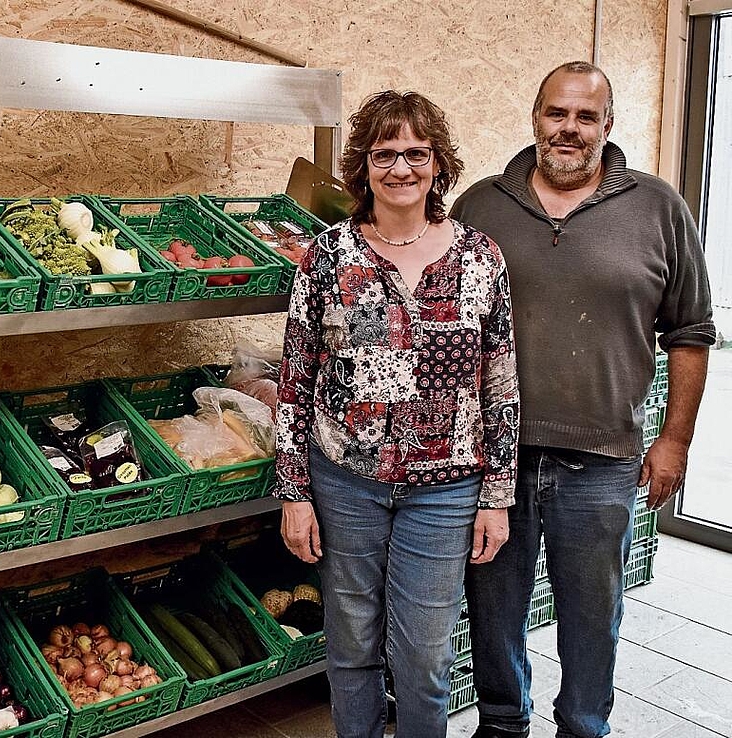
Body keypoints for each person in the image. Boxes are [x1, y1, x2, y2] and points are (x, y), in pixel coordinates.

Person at [450, 61, 716, 738]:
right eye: (555, 113)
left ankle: (583, 726)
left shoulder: (659, 208)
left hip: (603, 458)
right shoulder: (479, 206)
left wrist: (675, 440)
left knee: (593, 615)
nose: (568, 129)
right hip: (495, 459)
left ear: (607, 125)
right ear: (536, 117)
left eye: (585, 116)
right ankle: (504, 723)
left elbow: (691, 332)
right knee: (493, 606)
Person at [274, 90, 519, 738]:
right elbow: (296, 382)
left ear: (439, 163)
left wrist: (496, 495)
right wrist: (294, 493)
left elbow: (500, 385)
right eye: (386, 153)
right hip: (345, 486)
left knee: (425, 661)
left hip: (444, 493)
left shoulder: (478, 259)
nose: (401, 167)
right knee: (351, 650)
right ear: (365, 165)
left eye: (417, 152)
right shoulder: (327, 256)